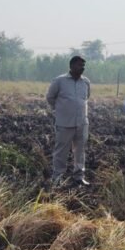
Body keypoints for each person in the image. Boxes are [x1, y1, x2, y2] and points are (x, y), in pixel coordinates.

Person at [46, 55, 91, 186]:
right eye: (79, 65)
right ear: (71, 66)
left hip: (82, 122)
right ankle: (57, 177)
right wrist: (61, 110)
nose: (82, 68)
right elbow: (50, 98)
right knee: (61, 151)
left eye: (83, 66)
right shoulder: (59, 81)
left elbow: (86, 98)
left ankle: (79, 176)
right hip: (64, 123)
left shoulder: (86, 82)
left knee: (80, 151)